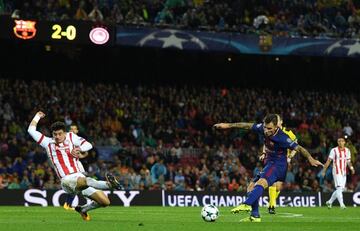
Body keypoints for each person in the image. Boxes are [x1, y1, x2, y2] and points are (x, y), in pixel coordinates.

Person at [214, 114, 323, 222]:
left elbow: (299, 148)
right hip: (270, 164)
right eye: (265, 127)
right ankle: (255, 216)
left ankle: (246, 204)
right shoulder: (263, 128)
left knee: (261, 183)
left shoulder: (283, 138)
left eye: (269, 128)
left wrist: (310, 159)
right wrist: (228, 125)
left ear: (276, 127)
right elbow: (246, 125)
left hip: (278, 166)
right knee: (251, 187)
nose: (266, 130)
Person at [28, 111, 122, 221]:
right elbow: (31, 130)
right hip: (66, 180)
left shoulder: (71, 137)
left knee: (105, 202)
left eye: (60, 134)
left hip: (79, 177)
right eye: (55, 134)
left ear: (65, 133)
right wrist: (37, 116)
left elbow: (88, 145)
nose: (57, 137)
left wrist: (79, 148)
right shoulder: (47, 142)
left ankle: (83, 209)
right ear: (52, 134)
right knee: (86, 180)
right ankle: (110, 185)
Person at [258, 114, 297, 214]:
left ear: (281, 122)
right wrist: (263, 153)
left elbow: (296, 147)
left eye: (278, 120)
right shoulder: (271, 132)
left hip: (283, 161)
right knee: (272, 183)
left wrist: (290, 157)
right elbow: (266, 143)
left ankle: (271, 202)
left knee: (278, 186)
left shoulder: (289, 133)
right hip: (271, 159)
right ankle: (272, 206)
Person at [321, 137, 355, 209]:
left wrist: (352, 168)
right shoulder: (334, 150)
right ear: (337, 142)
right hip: (336, 171)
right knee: (339, 187)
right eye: (339, 141)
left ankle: (329, 202)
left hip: (343, 172)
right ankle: (342, 205)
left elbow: (348, 161)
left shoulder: (347, 150)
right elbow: (328, 161)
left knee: (340, 189)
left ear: (344, 142)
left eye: (342, 141)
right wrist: (324, 171)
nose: (340, 142)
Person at [63, 124, 89, 211]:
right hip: (70, 166)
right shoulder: (66, 140)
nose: (73, 130)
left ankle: (68, 204)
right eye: (71, 129)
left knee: (80, 184)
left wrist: (80, 154)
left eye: (74, 129)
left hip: (77, 163)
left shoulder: (78, 140)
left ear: (77, 131)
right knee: (80, 184)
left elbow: (85, 153)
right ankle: (88, 201)